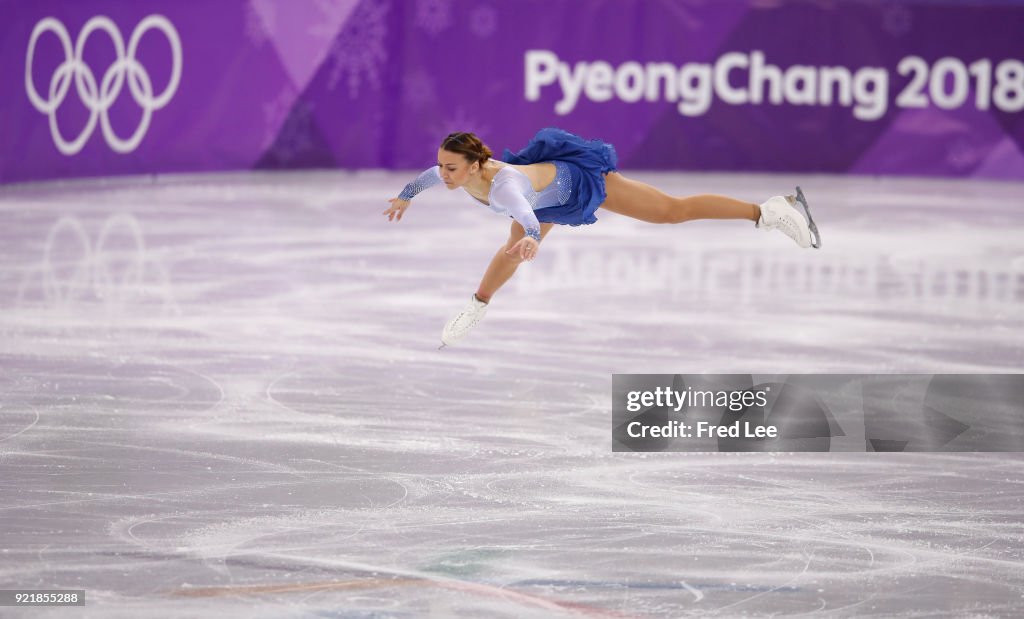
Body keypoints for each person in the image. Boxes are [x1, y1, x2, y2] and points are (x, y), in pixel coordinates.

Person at [385, 127, 820, 347]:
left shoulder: (504, 186)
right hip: (546, 194)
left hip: (578, 183)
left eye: (450, 168)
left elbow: (526, 216)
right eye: (441, 166)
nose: (442, 174)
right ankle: (476, 306)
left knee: (672, 211)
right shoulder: (454, 170)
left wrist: (533, 237)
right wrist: (407, 196)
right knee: (510, 252)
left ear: (475, 166)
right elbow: (424, 177)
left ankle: (767, 212)